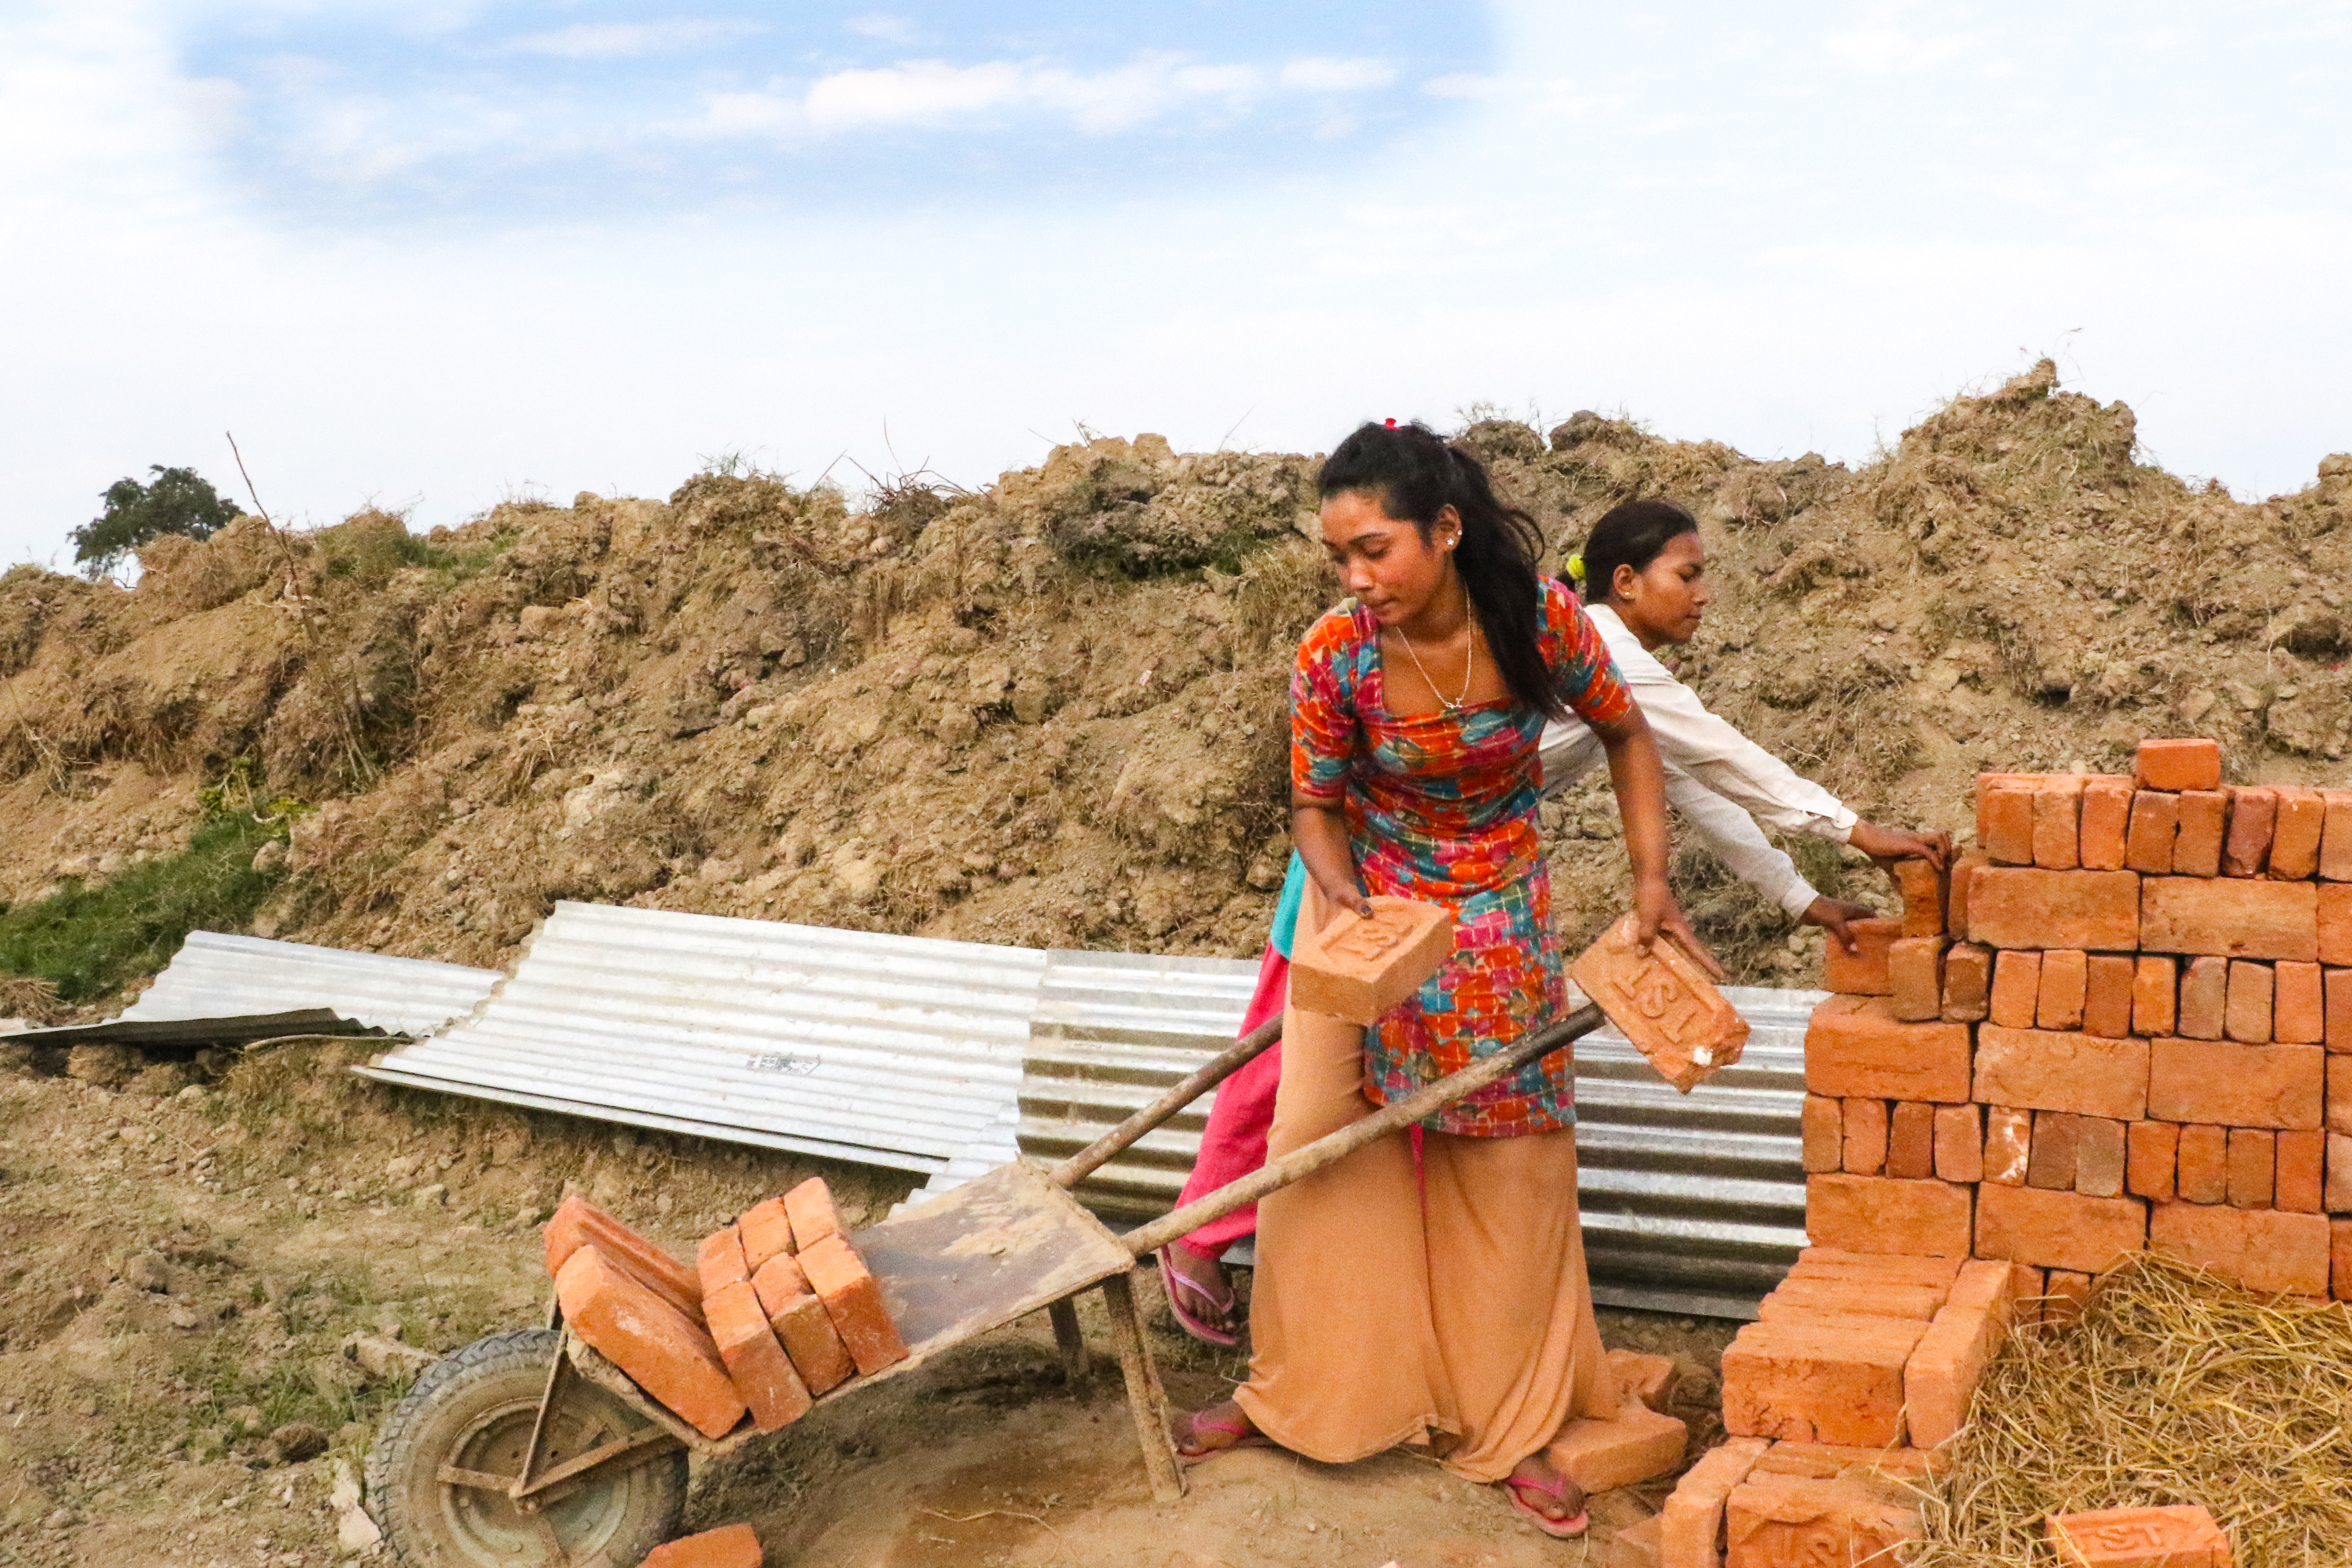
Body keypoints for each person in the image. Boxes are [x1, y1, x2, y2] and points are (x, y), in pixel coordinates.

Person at [1158, 495, 1950, 1351]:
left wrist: (1803, 899)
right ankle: (1197, 1235)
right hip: (1358, 870)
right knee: (1287, 1058)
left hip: (1467, 887)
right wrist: (1857, 832)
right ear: (1626, 582)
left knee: (1403, 1078)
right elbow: (1729, 756)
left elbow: (1685, 784)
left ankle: (1408, 1305)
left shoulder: (1598, 660)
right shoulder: (1595, 639)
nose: (1703, 594)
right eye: (1686, 574)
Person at [1168, 420, 1717, 1539]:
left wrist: (1651, 882)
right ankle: (1304, 1396)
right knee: (1321, 1151)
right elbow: (1314, 803)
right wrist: (1351, 907)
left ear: (1446, 530)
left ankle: (1509, 1423)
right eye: (1340, 557)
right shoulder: (1335, 654)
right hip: (1369, 906)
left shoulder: (1537, 621)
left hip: (1501, 909)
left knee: (1503, 1168)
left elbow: (1628, 736)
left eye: (1374, 549)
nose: (1356, 577)